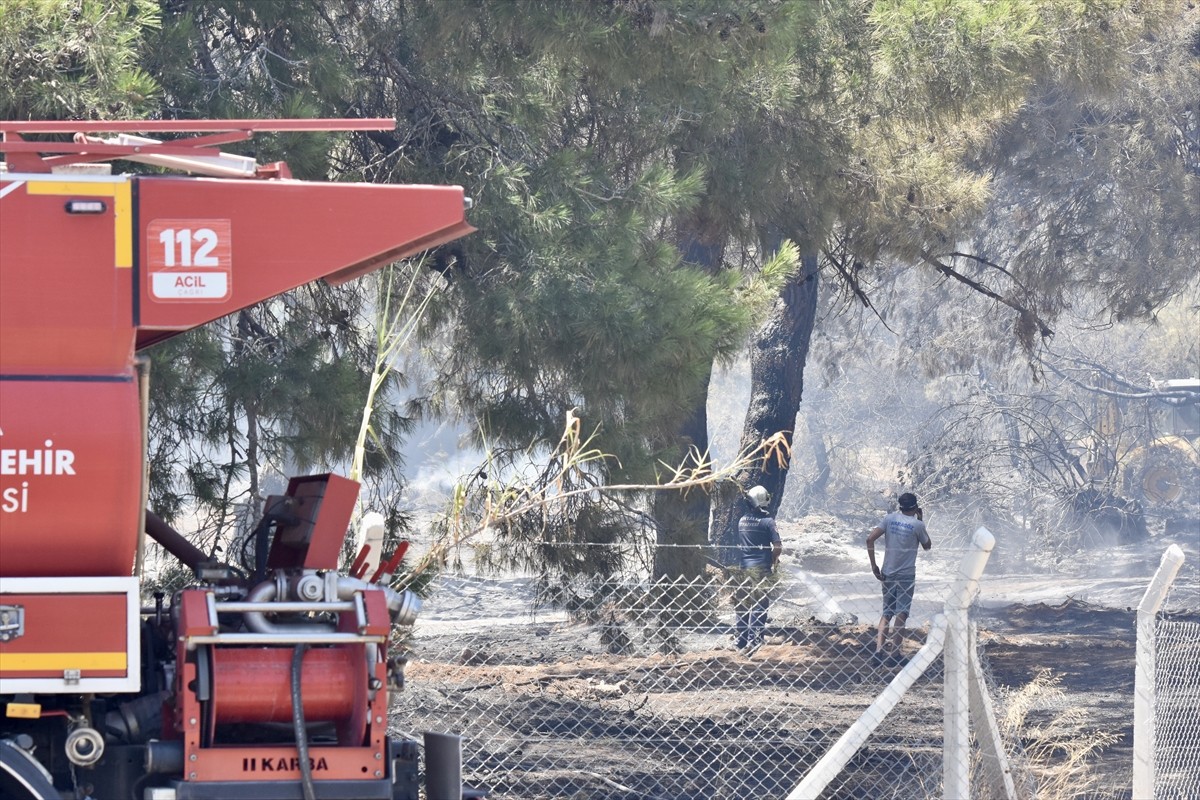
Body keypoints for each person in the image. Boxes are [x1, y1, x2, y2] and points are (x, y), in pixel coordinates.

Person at [866, 492, 932, 662]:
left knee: (886, 613)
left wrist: (874, 565)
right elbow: (927, 546)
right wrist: (921, 520)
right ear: (915, 507)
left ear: (900, 506)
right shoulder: (917, 525)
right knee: (901, 614)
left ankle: (878, 652)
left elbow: (870, 540)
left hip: (888, 572)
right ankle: (894, 654)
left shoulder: (889, 519)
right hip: (906, 575)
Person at [734, 485, 782, 655]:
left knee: (743, 604)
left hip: (743, 568)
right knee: (759, 605)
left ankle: (740, 641)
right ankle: (755, 641)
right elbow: (777, 547)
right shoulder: (768, 522)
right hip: (762, 569)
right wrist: (775, 561)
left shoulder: (742, 521)